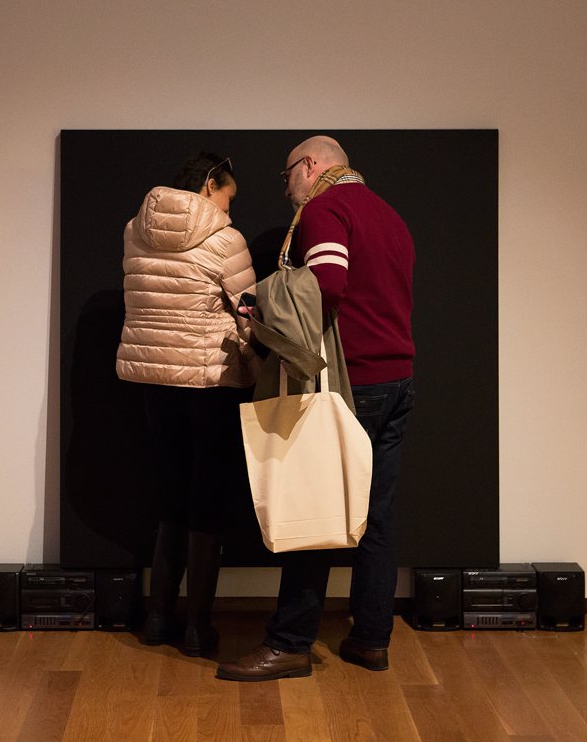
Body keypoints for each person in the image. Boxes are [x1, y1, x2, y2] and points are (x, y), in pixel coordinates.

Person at [217, 136, 415, 680]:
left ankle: (290, 644)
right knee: (377, 519)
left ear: (309, 166)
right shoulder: (390, 216)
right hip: (398, 379)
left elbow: (327, 283)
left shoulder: (326, 209)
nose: (287, 190)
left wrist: (261, 302)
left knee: (316, 511)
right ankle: (371, 640)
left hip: (353, 384)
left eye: (287, 176)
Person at [116, 152, 258, 656]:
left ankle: (158, 618)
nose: (229, 211)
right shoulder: (225, 239)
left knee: (171, 492)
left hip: (154, 383)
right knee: (208, 499)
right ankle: (198, 628)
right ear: (210, 184)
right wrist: (258, 363)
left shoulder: (135, 231)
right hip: (209, 384)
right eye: (227, 198)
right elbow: (248, 313)